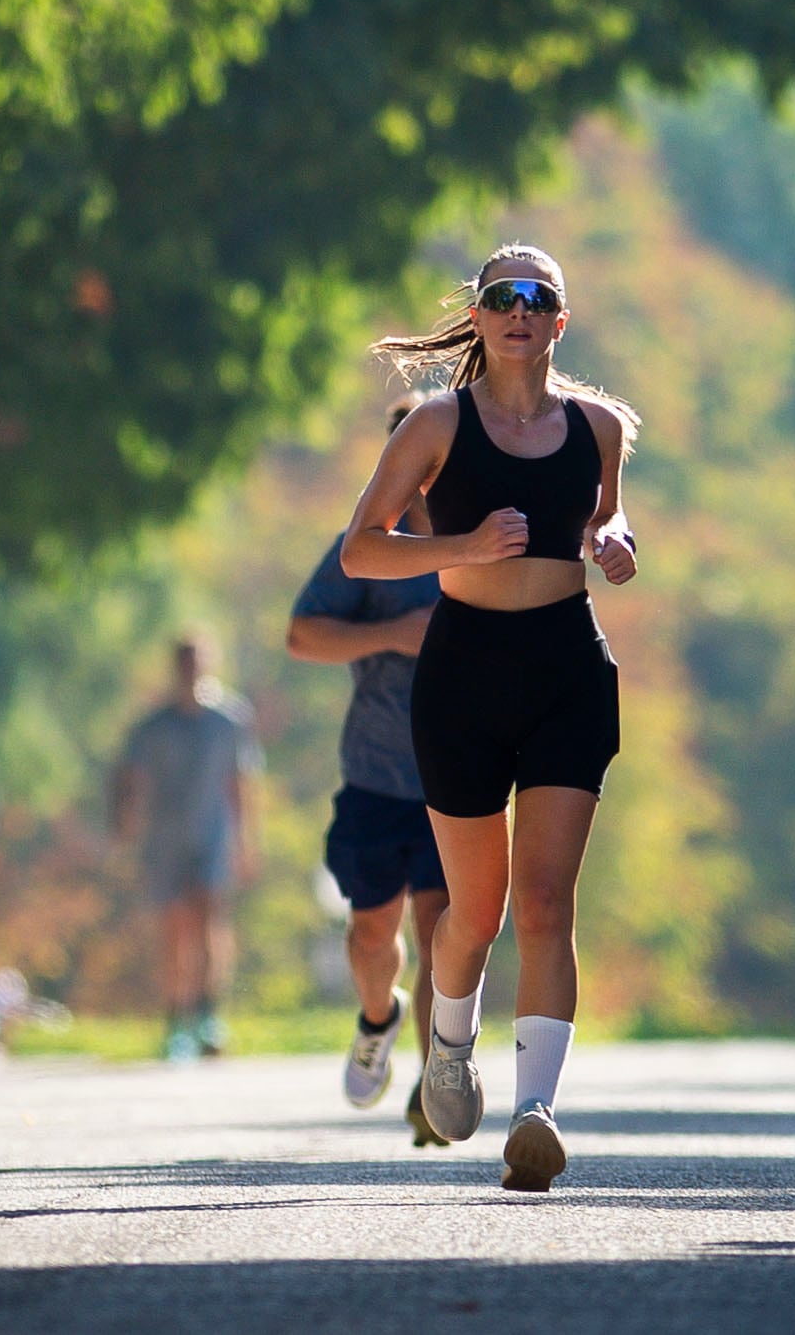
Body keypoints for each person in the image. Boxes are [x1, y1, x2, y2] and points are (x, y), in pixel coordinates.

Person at [340, 244, 637, 1192]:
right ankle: (449, 1045)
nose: (519, 310)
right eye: (502, 296)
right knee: (477, 909)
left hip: (567, 668)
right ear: (478, 314)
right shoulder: (437, 424)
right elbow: (360, 551)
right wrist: (463, 546)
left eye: (537, 298)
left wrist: (616, 541)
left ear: (560, 320)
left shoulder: (598, 427)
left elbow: (604, 520)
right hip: (464, 673)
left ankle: (535, 1112)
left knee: (548, 902)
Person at [287, 397, 450, 1144]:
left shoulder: (484, 539)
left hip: (459, 777)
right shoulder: (366, 544)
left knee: (444, 933)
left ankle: (437, 1081)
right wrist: (393, 633)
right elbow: (302, 635)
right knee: (371, 932)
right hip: (377, 775)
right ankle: (378, 1018)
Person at [111, 635, 264, 1062]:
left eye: (196, 662)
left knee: (210, 923)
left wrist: (246, 840)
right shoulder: (154, 725)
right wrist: (127, 828)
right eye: (183, 662)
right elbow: (132, 779)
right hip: (165, 839)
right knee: (175, 928)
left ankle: (208, 1016)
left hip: (212, 836)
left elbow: (241, 782)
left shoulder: (229, 720)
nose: (190, 670)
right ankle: (176, 1020)